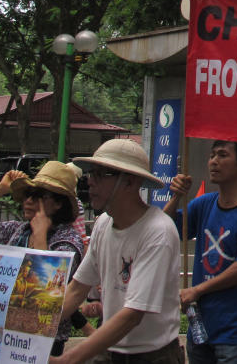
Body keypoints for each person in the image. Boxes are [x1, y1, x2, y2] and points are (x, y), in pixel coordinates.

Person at [51, 138, 182, 363]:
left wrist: (68, 360)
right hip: (109, 350)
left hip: (152, 357)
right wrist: (32, 328)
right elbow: (76, 289)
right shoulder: (103, 224)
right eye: (91, 173)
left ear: (130, 182)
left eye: (101, 174)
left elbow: (132, 316)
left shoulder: (158, 232)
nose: (90, 181)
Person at [0, 160, 85, 356]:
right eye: (27, 194)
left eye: (38, 195)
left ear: (58, 203)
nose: (28, 201)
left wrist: (40, 237)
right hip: (1, 336)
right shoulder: (17, 230)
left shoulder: (68, 242)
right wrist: (0, 189)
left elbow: (46, 295)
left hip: (43, 344)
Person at [164, 141, 237, 364]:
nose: (213, 161)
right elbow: (164, 230)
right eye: (212, 155)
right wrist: (176, 196)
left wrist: (197, 290)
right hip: (201, 327)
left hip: (236, 332)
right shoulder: (204, 204)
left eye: (222, 155)